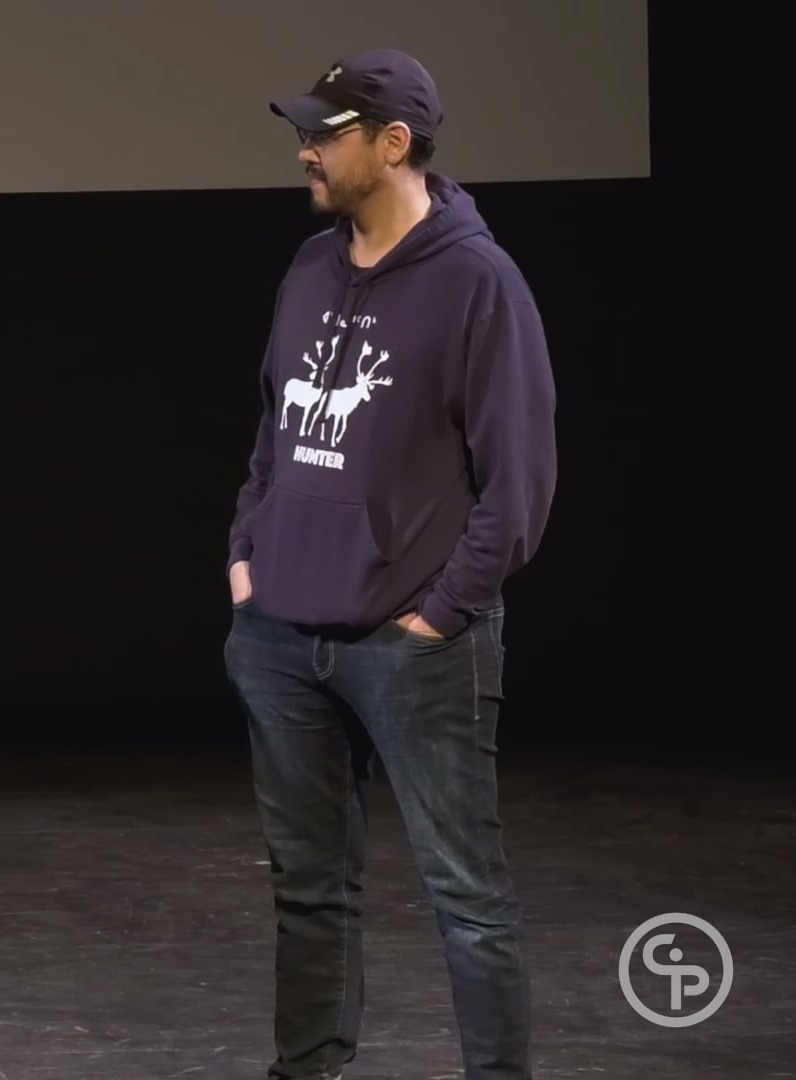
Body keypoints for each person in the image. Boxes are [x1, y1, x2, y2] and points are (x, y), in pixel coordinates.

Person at [222, 50, 558, 1080]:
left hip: (410, 643)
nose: (306, 151)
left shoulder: (476, 282)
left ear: (393, 143)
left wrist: (439, 615)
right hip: (282, 635)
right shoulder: (313, 266)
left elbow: (519, 485)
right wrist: (248, 557)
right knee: (308, 886)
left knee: (466, 894)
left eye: (327, 134)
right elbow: (275, 433)